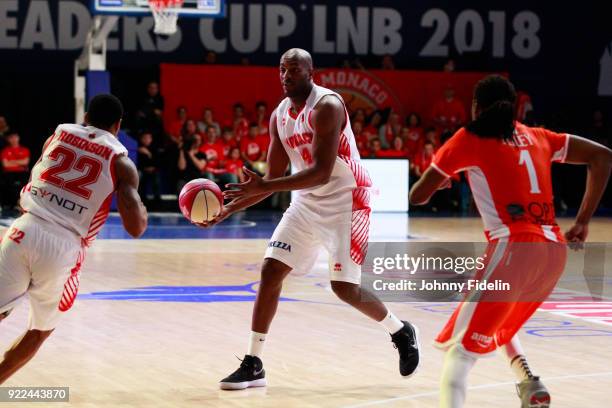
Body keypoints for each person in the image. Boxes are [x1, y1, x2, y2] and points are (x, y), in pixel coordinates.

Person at [204, 48, 420, 390]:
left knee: (344, 287)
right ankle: (254, 362)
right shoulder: (279, 116)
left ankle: (400, 330)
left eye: (293, 69)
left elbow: (320, 172)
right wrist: (228, 209)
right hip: (306, 201)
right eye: (282, 69)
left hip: (347, 199)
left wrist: (265, 186)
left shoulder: (327, 106)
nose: (286, 75)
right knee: (271, 270)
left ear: (310, 72)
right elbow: (271, 177)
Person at [409, 75, 612, 408]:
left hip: (514, 248)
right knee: (498, 314)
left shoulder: (468, 138)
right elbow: (602, 156)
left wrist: (438, 183)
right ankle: (528, 381)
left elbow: (417, 195)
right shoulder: (539, 136)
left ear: (476, 107)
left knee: (459, 356)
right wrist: (583, 221)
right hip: (552, 253)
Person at [0, 94, 148, 384]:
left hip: (24, 228)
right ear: (118, 125)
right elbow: (136, 227)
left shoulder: (59, 133)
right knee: (40, 330)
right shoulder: (120, 161)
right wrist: (140, 207)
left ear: (86, 116)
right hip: (63, 245)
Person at [1, 132, 30, 213]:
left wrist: (11, 161)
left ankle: (22, 205)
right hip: (9, 173)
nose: (13, 139)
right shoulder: (5, 151)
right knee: (8, 183)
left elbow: (25, 162)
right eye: (11, 137)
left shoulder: (24, 150)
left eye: (15, 137)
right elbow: (5, 164)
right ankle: (11, 205)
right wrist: (19, 162)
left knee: (25, 183)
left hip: (22, 173)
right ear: (8, 139)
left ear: (18, 138)